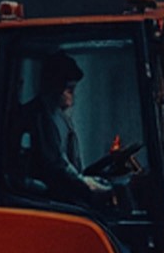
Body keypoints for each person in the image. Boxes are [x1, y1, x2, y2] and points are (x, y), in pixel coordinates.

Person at [14, 51, 110, 202]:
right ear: (54, 87)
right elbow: (56, 165)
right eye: (69, 90)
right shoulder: (38, 116)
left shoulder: (57, 115)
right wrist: (83, 183)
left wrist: (82, 180)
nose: (73, 96)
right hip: (49, 198)